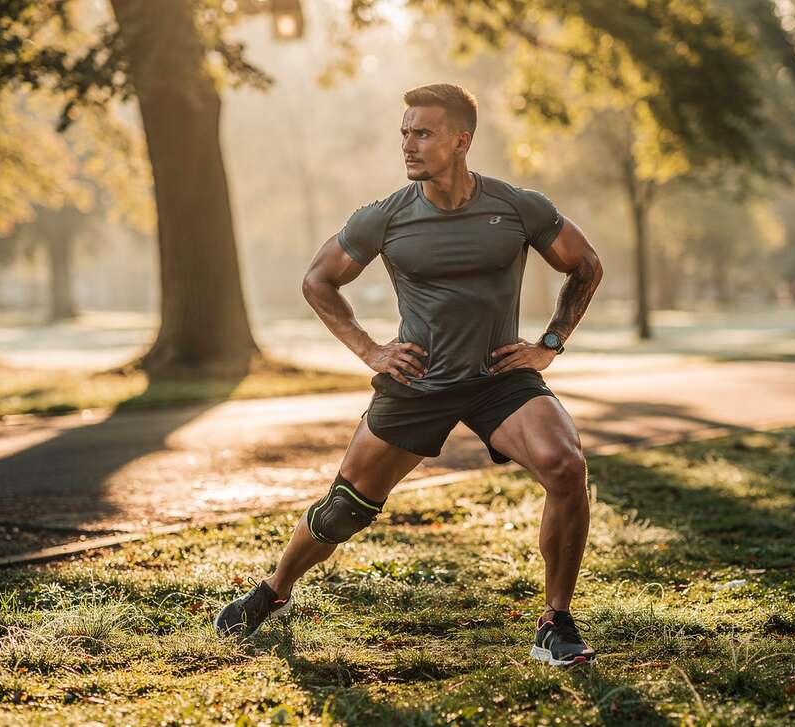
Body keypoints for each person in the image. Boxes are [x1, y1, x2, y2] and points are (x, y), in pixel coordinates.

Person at [215, 83, 604, 667]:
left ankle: (555, 621)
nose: (408, 145)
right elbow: (318, 280)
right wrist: (371, 351)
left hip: (500, 378)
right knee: (345, 508)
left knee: (566, 467)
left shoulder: (518, 207)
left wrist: (550, 343)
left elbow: (586, 265)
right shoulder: (386, 216)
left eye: (422, 133)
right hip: (418, 382)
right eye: (404, 133)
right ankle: (275, 590)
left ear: (460, 140)